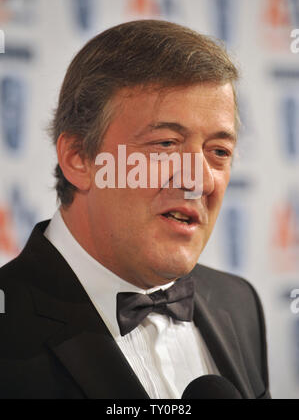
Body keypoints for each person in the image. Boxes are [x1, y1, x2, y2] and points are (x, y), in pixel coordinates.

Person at [0, 20, 270, 399]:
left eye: (219, 152)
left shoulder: (238, 303)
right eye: (165, 144)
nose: (200, 181)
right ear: (79, 158)